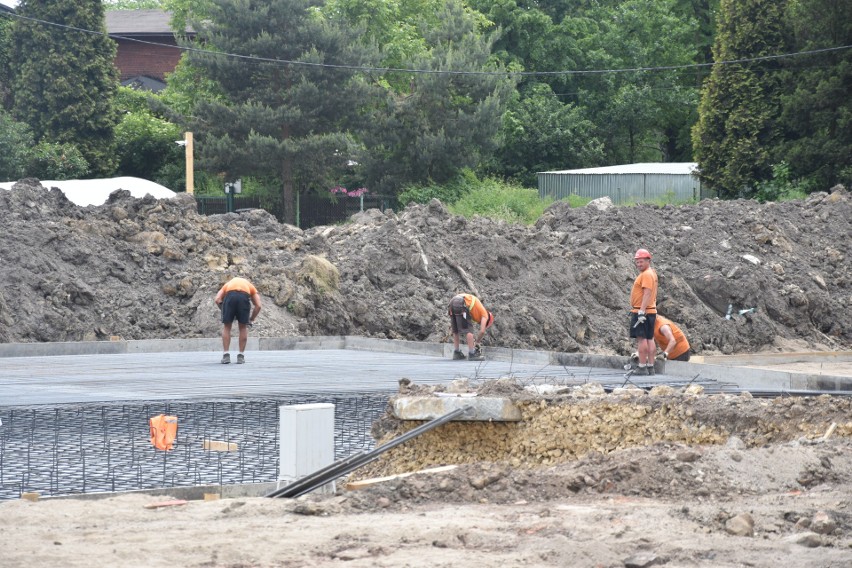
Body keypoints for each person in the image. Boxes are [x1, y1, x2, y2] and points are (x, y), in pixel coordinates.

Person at [215, 276, 262, 364]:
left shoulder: (228, 284)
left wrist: (224, 310)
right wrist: (251, 319)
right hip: (244, 297)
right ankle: (241, 356)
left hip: (230, 297)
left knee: (227, 327)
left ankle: (226, 355)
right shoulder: (250, 286)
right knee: (243, 327)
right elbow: (258, 306)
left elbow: (217, 299)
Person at [629, 248, 658, 375]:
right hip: (650, 311)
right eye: (637, 262)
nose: (639, 264)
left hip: (643, 311)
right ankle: (650, 367)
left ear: (648, 261)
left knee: (642, 340)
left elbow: (647, 293)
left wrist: (641, 311)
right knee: (650, 338)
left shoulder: (646, 274)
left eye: (641, 262)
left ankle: (642, 367)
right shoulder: (652, 273)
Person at [448, 293, 494, 361]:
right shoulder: (485, 315)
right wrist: (477, 342)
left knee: (456, 330)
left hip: (452, 302)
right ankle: (472, 354)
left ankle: (456, 352)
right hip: (461, 302)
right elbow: (482, 331)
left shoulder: (478, 311)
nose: (479, 323)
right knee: (469, 330)